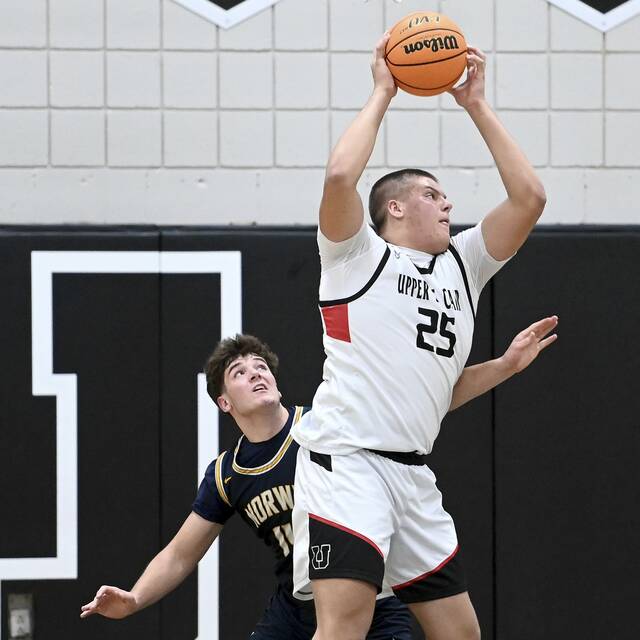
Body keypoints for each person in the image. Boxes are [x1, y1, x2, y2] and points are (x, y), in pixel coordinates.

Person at [290, 34, 549, 640]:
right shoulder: (355, 253)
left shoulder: (466, 265)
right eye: (432, 195)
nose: (448, 205)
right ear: (395, 210)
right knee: (345, 626)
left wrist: (476, 105)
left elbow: (530, 197)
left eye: (447, 197)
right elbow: (337, 177)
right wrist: (384, 90)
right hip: (347, 463)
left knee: (461, 634)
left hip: (412, 474)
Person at [80, 318, 556, 638]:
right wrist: (135, 597)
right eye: (240, 373)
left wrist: (506, 365)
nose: (256, 373)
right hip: (296, 602)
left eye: (261, 366)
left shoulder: (327, 425)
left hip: (372, 594)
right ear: (224, 402)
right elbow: (181, 553)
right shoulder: (227, 474)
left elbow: (422, 404)